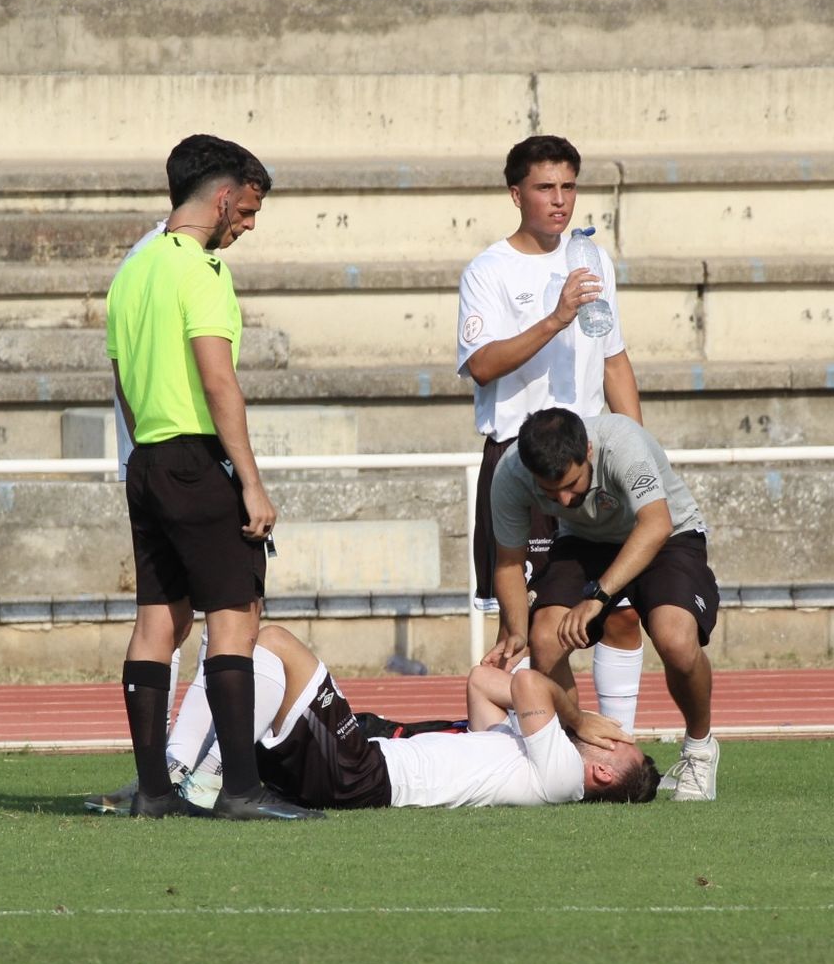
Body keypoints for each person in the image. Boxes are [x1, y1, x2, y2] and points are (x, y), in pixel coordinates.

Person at [99, 133, 319, 822]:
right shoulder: (202, 270)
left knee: (157, 621)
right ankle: (241, 790)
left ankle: (153, 792)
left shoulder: (133, 269)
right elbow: (218, 380)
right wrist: (250, 481)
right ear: (222, 199)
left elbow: (120, 377)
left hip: (146, 458)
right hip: (197, 460)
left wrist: (148, 448)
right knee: (235, 618)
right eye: (246, 211)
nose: (247, 226)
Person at [455, 135, 647, 732]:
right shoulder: (488, 271)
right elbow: (481, 364)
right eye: (545, 187)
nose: (560, 200)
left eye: (568, 186)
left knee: (620, 611)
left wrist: (637, 451)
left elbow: (613, 358)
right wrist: (555, 317)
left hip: (590, 462)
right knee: (531, 626)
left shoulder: (592, 259)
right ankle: (551, 743)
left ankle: (617, 743)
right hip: (524, 462)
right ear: (516, 194)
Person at [142, 625, 655, 813]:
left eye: (615, 742)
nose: (608, 731)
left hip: (366, 776)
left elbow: (527, 685)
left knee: (272, 641)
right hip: (360, 770)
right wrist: (555, 716)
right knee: (248, 645)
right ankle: (183, 771)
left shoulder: (563, 777)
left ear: (602, 771)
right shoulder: (527, 754)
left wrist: (577, 717)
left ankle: (204, 777)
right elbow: (483, 683)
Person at [484, 407, 722, 801]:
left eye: (571, 484)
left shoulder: (621, 442)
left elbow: (656, 523)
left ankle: (699, 749)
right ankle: (574, 752)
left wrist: (598, 597)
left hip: (667, 535)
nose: (564, 499)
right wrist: (516, 631)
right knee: (544, 640)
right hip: (583, 541)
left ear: (589, 452)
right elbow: (509, 562)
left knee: (677, 643)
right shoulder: (511, 472)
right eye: (550, 492)